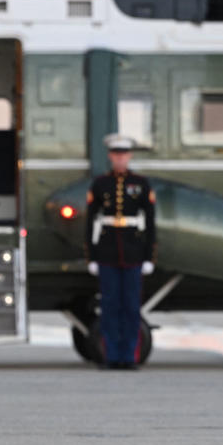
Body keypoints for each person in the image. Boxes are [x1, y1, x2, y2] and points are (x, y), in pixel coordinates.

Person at [84, 134, 157, 371]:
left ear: (130, 156)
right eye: (116, 155)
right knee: (110, 307)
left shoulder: (141, 184)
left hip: (133, 252)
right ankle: (112, 356)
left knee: (131, 308)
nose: (120, 159)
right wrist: (93, 257)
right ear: (110, 157)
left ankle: (129, 357)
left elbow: (150, 223)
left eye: (123, 154)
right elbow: (90, 223)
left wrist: (148, 257)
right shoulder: (100, 184)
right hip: (107, 253)